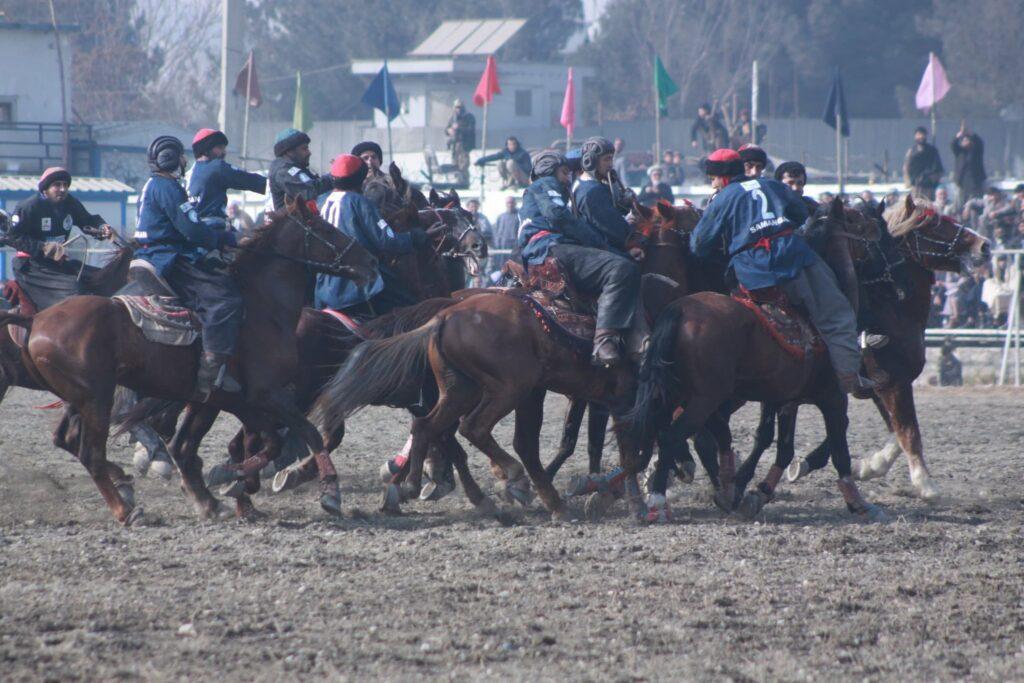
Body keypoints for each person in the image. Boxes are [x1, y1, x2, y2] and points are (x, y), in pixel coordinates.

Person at [690, 148, 875, 393]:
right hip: (795, 256)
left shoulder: (723, 197)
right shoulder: (772, 185)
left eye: (713, 179)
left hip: (752, 270)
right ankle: (849, 376)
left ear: (723, 177)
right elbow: (798, 215)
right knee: (836, 313)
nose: (712, 184)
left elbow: (699, 245)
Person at [134, 136, 243, 397]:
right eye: (181, 156)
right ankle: (210, 372)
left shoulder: (155, 184)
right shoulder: (168, 187)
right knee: (226, 299)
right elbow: (192, 229)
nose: (185, 161)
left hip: (155, 252)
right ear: (170, 159)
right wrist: (227, 239)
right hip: (168, 257)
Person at [520, 149, 640, 367]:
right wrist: (607, 248)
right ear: (549, 170)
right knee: (622, 269)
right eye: (565, 172)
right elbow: (558, 216)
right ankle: (604, 342)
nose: (568, 178)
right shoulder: (545, 184)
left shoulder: (538, 191)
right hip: (551, 248)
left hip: (542, 250)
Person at [314, 154, 434, 318]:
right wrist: (416, 237)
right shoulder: (360, 202)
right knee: (411, 310)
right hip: (358, 282)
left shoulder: (320, 201)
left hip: (323, 284)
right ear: (359, 180)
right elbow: (386, 239)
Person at [4, 167, 115, 310]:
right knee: (74, 290)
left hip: (57, 263)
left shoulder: (70, 203)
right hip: (31, 266)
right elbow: (12, 236)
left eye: (65, 185)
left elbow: (86, 220)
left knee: (101, 278)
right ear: (45, 188)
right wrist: (42, 247)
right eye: (57, 185)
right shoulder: (29, 207)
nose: (62, 189)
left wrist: (101, 227)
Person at [186, 128, 267, 231]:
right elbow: (248, 180)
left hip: (193, 229)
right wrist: (272, 185)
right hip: (213, 227)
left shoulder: (190, 172)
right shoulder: (217, 167)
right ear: (206, 148)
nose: (224, 152)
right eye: (220, 147)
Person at [268, 128, 333, 212]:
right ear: (289, 151)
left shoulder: (298, 167)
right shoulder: (283, 171)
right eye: (304, 149)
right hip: (294, 223)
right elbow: (308, 192)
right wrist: (333, 177)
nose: (309, 152)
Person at [902, 126, 944, 201]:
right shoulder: (911, 151)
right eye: (919, 134)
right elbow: (906, 168)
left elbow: (938, 169)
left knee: (928, 209)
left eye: (923, 134)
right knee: (915, 208)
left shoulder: (932, 151)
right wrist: (909, 183)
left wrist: (931, 179)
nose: (921, 136)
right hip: (915, 186)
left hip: (928, 187)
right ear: (915, 136)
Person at [951, 122, 986, 208]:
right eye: (964, 140)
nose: (966, 142)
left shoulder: (976, 151)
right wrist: (959, 135)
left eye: (967, 140)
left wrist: (970, 134)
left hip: (975, 181)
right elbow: (952, 144)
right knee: (960, 203)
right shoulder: (959, 152)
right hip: (961, 181)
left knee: (973, 204)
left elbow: (979, 143)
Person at [445, 99, 476, 183]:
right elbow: (446, 129)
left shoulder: (469, 117)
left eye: (459, 107)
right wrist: (449, 130)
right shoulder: (453, 118)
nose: (458, 109)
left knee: (464, 164)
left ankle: (464, 181)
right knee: (455, 164)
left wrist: (459, 128)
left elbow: (470, 130)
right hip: (455, 144)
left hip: (464, 144)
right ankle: (458, 180)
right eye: (456, 107)